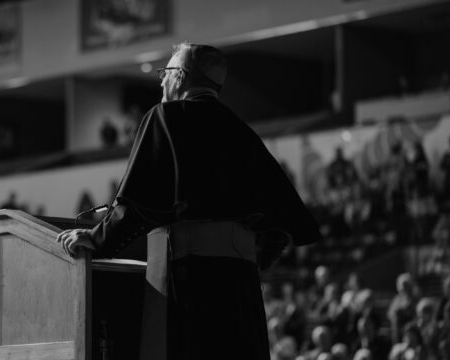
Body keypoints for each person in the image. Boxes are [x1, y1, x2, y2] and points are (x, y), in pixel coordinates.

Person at [57, 43, 321, 360]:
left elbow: (136, 206)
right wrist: (247, 258)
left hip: (191, 278)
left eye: (165, 72)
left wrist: (96, 240)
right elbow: (281, 224)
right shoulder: (243, 132)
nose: (160, 81)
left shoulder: (164, 118)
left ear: (180, 76)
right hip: (241, 287)